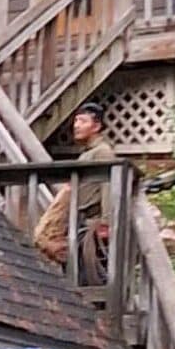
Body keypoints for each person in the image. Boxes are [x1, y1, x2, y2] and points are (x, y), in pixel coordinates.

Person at [34, 101, 118, 280]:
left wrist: (106, 222)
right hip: (78, 221)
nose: (76, 126)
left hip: (90, 222)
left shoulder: (102, 152)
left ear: (96, 126)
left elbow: (108, 186)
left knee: (88, 272)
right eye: (76, 121)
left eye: (82, 121)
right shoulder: (86, 154)